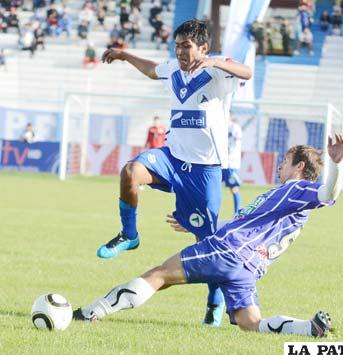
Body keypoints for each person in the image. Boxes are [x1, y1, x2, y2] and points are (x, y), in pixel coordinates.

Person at [73, 134, 343, 338]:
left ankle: (91, 312)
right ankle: (310, 329)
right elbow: (242, 222)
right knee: (251, 323)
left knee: (159, 275)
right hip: (249, 268)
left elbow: (328, 194)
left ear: (299, 168)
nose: (280, 165)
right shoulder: (285, 198)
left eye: (285, 161)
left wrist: (336, 164)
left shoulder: (296, 190)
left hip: (229, 252)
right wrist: (197, 227)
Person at [97, 19, 252, 327]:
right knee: (130, 172)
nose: (181, 51)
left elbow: (246, 72)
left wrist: (216, 61)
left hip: (204, 170)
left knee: (206, 243)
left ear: (203, 48)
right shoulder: (174, 70)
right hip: (171, 158)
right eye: (178, 46)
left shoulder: (218, 71)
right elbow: (153, 68)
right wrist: (125, 56)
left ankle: (215, 303)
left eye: (187, 46)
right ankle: (129, 235)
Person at [222, 116, 242, 215]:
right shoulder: (219, 125)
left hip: (230, 164)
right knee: (212, 187)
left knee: (233, 188)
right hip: (219, 163)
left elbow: (236, 142)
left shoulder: (235, 127)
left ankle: (237, 213)